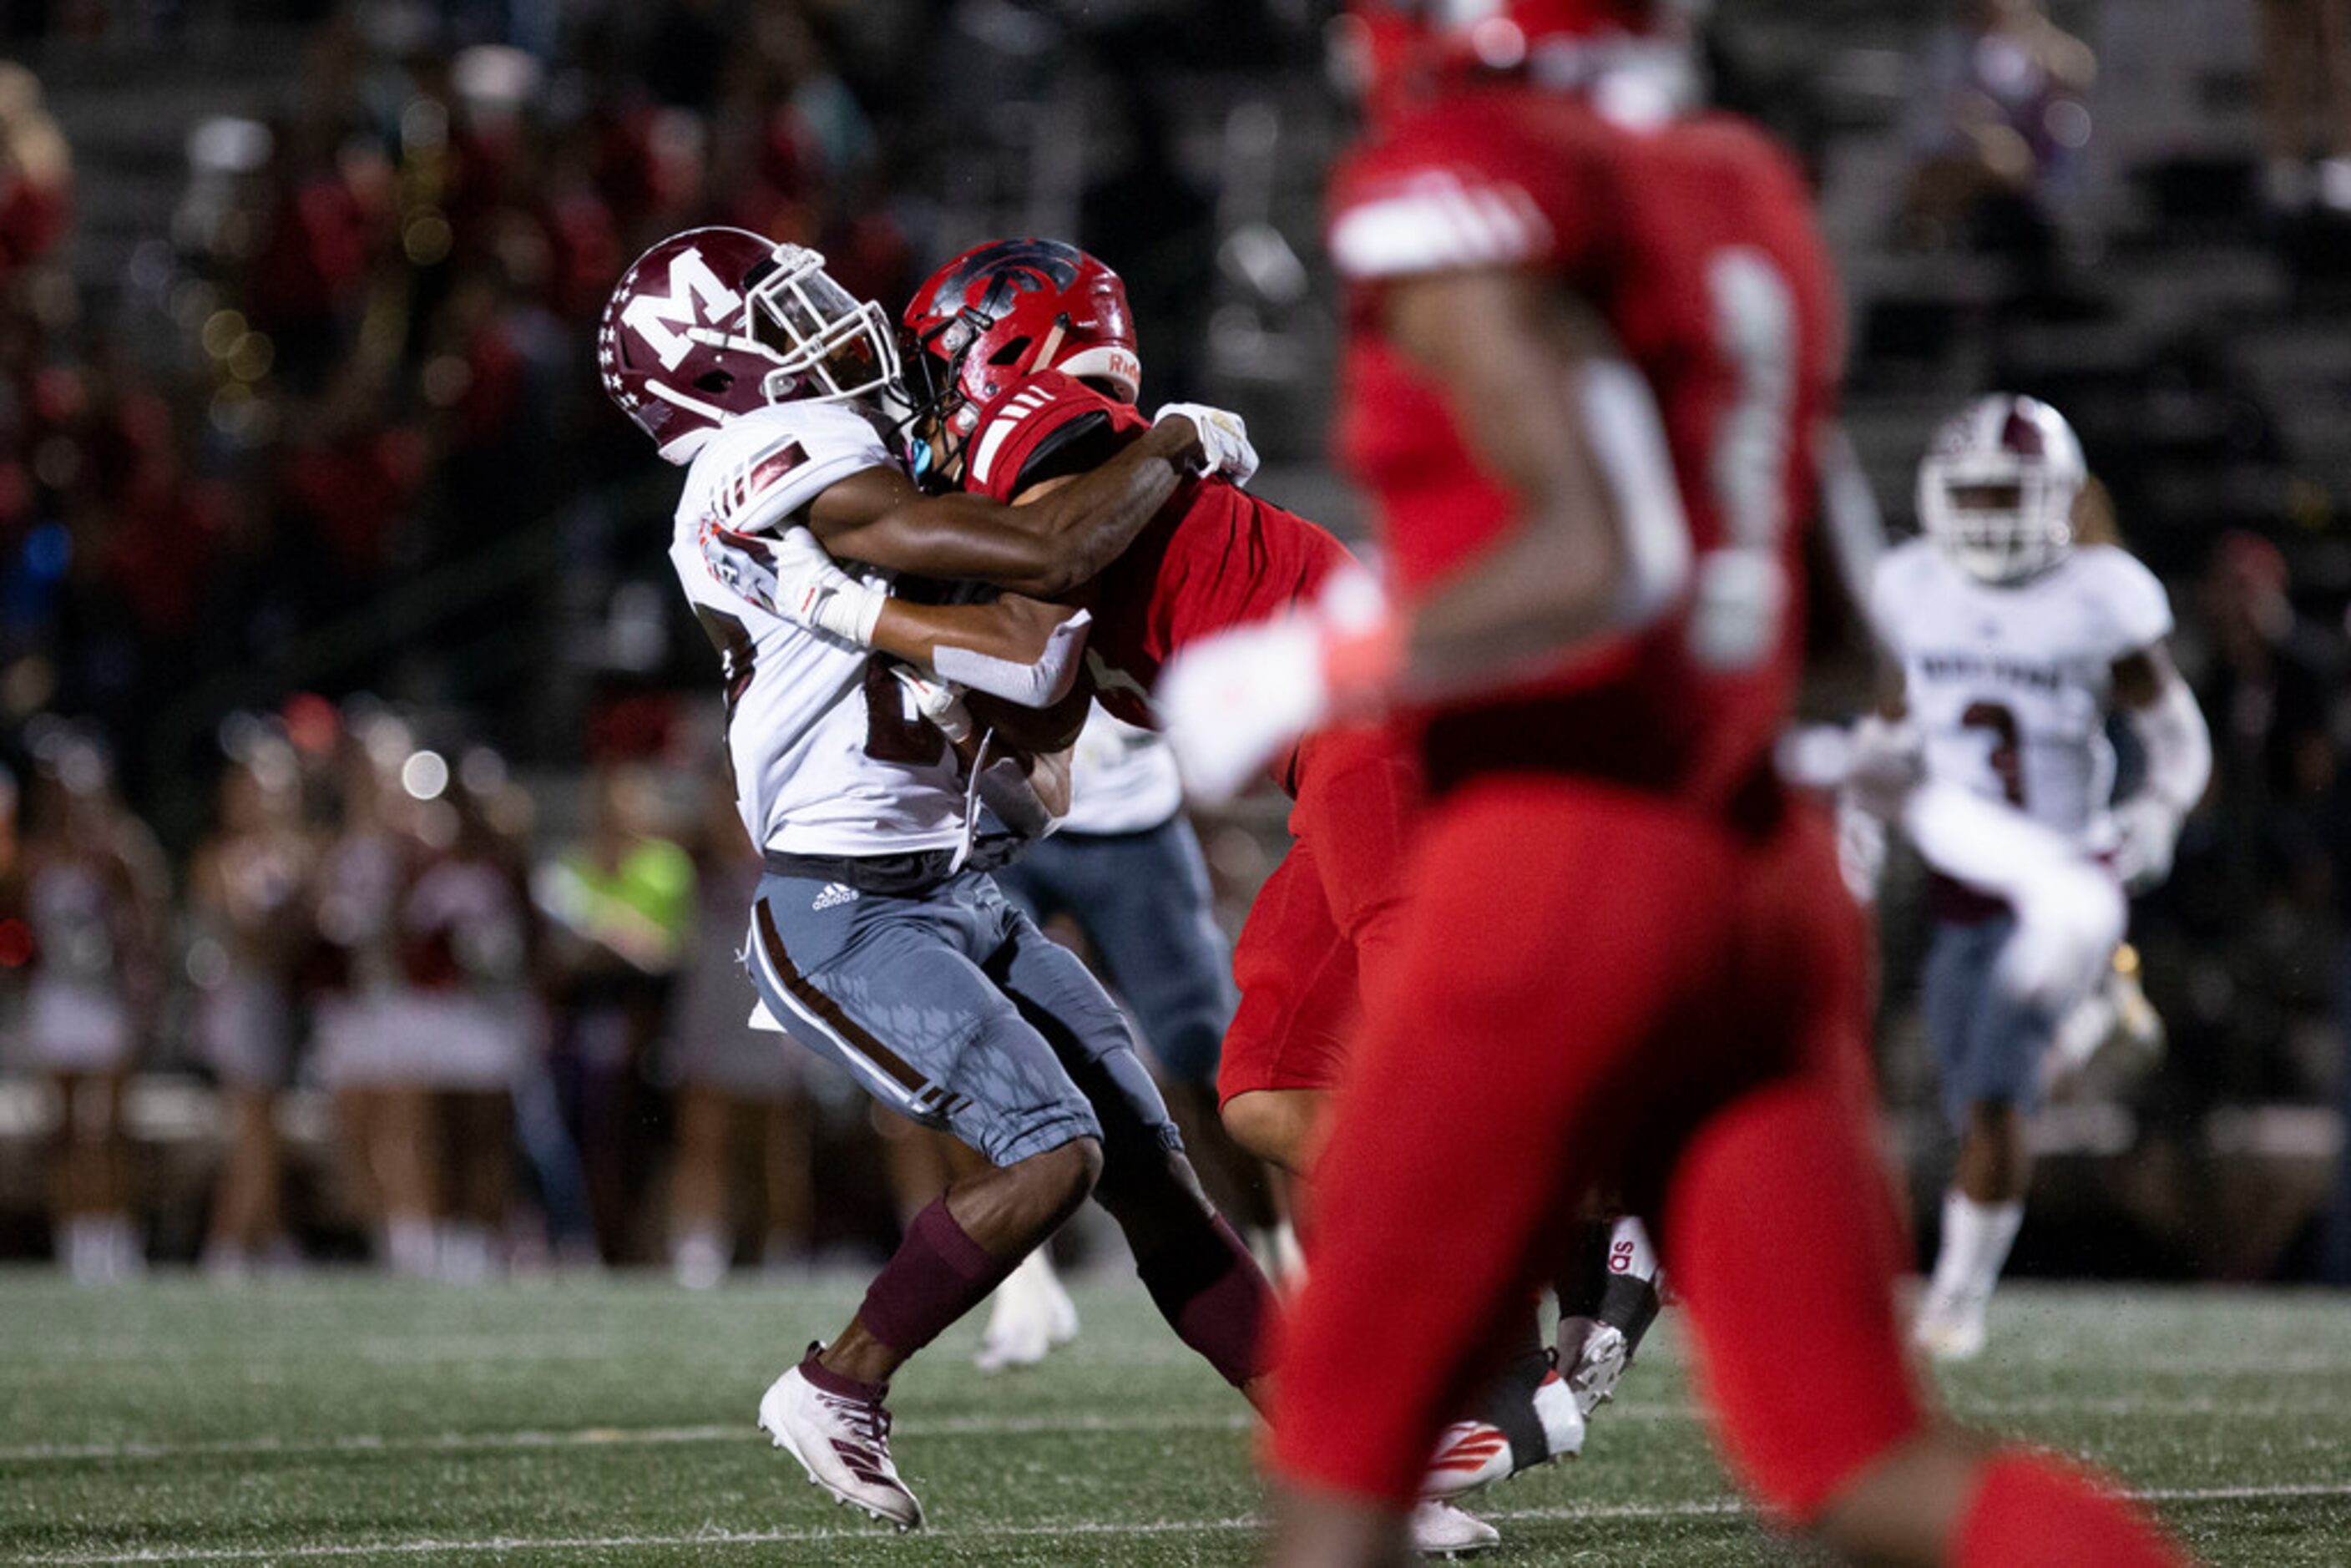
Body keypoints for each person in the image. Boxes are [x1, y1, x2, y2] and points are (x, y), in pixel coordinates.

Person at [1152, 3, 2192, 1563]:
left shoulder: (1458, 175)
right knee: (1859, 1459)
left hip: (1566, 854)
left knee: (1338, 1474)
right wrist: (2024, 854)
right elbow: (1832, 644)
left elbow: (1604, 545)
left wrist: (1309, 667)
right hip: (1766, 874)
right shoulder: (1736, 196)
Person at [599, 226, 1276, 1530]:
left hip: (954, 886)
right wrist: (1169, 441)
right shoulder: (757, 458)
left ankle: (1359, 1463)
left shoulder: (845, 450)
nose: (834, 321)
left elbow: (1026, 641)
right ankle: (837, 1380)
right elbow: (1047, 557)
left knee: (1151, 1164)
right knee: (1055, 1150)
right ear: (709, 372)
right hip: (843, 906)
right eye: (782, 313)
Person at [1870, 394, 2211, 1360]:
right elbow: (1890, 725)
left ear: (2056, 498)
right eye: (1969, 494)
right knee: (1964, 1080)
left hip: (2060, 878)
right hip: (1955, 882)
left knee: (1990, 1097)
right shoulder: (1911, 586)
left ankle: (1953, 1305)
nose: (1984, 514)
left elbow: (2175, 735)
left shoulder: (2098, 594)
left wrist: (2152, 815)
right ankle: (2099, 1010)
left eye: (2003, 494)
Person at [11, 726, 166, 1286]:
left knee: (106, 1127)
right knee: (63, 1129)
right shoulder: (35, 854)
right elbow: (18, 931)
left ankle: (116, 1236)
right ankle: (73, 1238)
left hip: (107, 1001)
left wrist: (144, 999)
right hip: (58, 998)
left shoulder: (120, 848)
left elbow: (149, 928)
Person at [189, 726, 315, 1277]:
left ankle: (264, 1236)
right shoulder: (221, 857)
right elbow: (251, 938)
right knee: (252, 1126)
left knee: (266, 1126)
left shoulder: (301, 852)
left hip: (282, 1000)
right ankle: (231, 1243)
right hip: (239, 999)